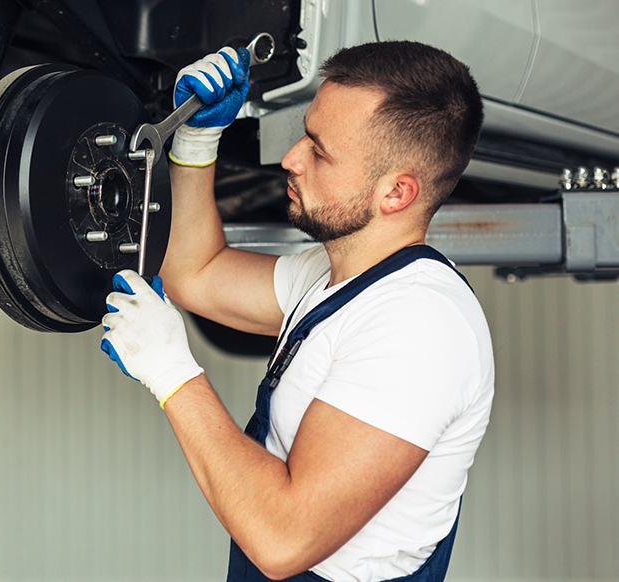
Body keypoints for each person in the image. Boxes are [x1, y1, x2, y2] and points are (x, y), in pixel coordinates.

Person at [99, 40, 494, 582]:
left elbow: (282, 538)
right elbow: (198, 275)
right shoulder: (337, 274)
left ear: (396, 193)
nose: (291, 158)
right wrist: (196, 140)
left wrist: (173, 374)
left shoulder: (420, 329)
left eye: (319, 150)